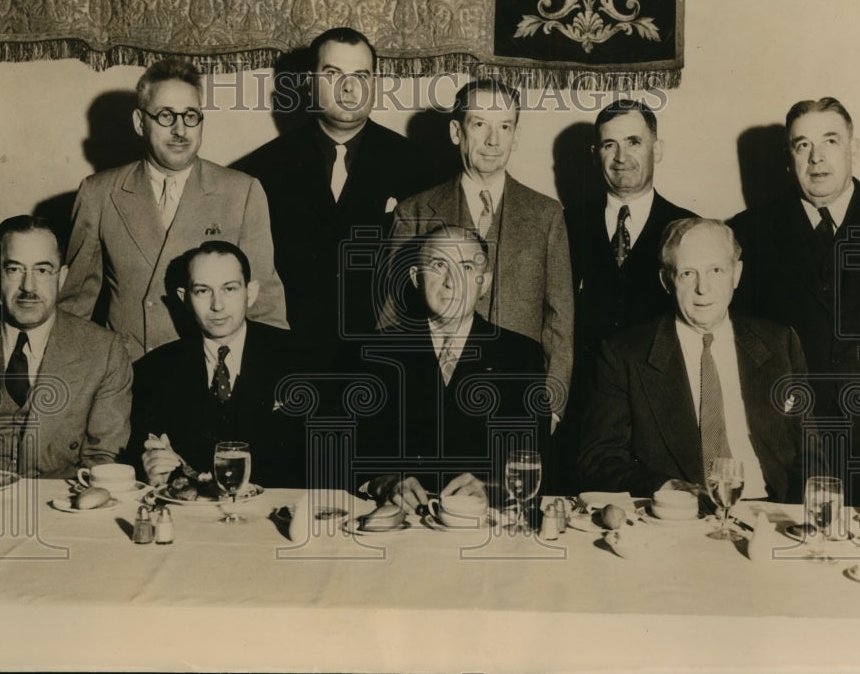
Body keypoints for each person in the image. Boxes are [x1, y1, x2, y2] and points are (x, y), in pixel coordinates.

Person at [384, 79, 574, 447]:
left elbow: (560, 318)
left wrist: (551, 407)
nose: (493, 140)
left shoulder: (546, 214)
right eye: (480, 124)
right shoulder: (415, 211)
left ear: (515, 136)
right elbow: (392, 311)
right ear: (457, 132)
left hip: (514, 404)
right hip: (429, 407)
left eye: (505, 126)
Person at [59, 58, 287, 361]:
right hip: (129, 373)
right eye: (166, 116)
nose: (180, 130)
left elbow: (264, 304)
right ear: (140, 122)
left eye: (191, 116)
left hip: (207, 373)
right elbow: (74, 307)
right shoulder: (99, 193)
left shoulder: (241, 192)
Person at [729, 97, 860, 506]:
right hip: (793, 450)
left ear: (854, 148)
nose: (816, 157)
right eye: (802, 145)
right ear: (789, 159)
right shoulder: (750, 232)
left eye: (830, 141)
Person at [578, 218, 813, 504]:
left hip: (769, 510)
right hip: (680, 514)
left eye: (716, 270)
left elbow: (810, 451)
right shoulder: (625, 354)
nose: (703, 288)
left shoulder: (780, 344)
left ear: (736, 274)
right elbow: (599, 459)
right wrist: (667, 487)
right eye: (688, 273)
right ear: (666, 280)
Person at [233, 27, 432, 363]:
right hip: (287, 357)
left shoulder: (420, 167)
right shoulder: (260, 169)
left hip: (387, 360)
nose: (349, 88)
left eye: (361, 75)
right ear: (310, 82)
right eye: (333, 74)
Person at [357, 226, 550, 509]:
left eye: (467, 267)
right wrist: (382, 482)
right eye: (438, 265)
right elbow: (348, 450)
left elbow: (535, 454)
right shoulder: (374, 352)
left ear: (484, 282)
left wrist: (494, 488)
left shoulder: (521, 355)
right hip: (400, 518)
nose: (452, 282)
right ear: (416, 277)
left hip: (483, 519)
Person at [562, 99, 696, 492]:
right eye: (609, 145)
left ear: (657, 149)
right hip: (579, 418)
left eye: (634, 142)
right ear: (596, 153)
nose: (621, 157)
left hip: (659, 419)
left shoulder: (687, 229)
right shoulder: (564, 224)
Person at [0, 216, 132, 478]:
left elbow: (104, 460)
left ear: (62, 277)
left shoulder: (105, 351)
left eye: (42, 270)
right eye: (14, 269)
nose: (28, 287)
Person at [130, 241, 303, 489]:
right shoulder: (154, 370)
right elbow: (143, 459)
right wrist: (151, 475)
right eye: (203, 291)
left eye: (229, 289)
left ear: (251, 292)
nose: (217, 305)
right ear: (185, 298)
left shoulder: (300, 358)